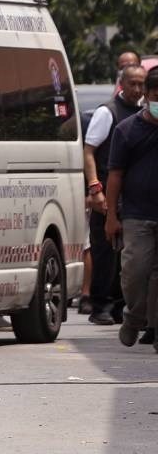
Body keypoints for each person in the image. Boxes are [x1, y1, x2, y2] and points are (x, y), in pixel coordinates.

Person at [84, 64, 146, 325]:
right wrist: (95, 187)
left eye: (141, 84)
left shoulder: (145, 114)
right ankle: (101, 306)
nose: (137, 89)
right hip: (108, 194)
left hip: (133, 198)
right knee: (104, 252)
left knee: (128, 257)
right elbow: (88, 151)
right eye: (132, 83)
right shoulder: (107, 112)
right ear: (122, 83)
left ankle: (122, 306)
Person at [105, 66, 158, 350]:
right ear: (147, 96)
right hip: (136, 216)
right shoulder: (127, 130)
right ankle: (133, 317)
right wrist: (111, 216)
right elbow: (115, 176)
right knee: (135, 273)